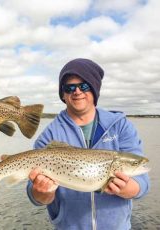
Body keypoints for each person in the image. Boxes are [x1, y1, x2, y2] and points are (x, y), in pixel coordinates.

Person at [26, 58, 150, 230]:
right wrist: (42, 193)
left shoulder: (121, 126)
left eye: (84, 86)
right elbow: (36, 197)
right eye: (69, 88)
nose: (77, 91)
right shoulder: (49, 135)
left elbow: (142, 184)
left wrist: (126, 188)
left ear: (94, 89)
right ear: (63, 94)